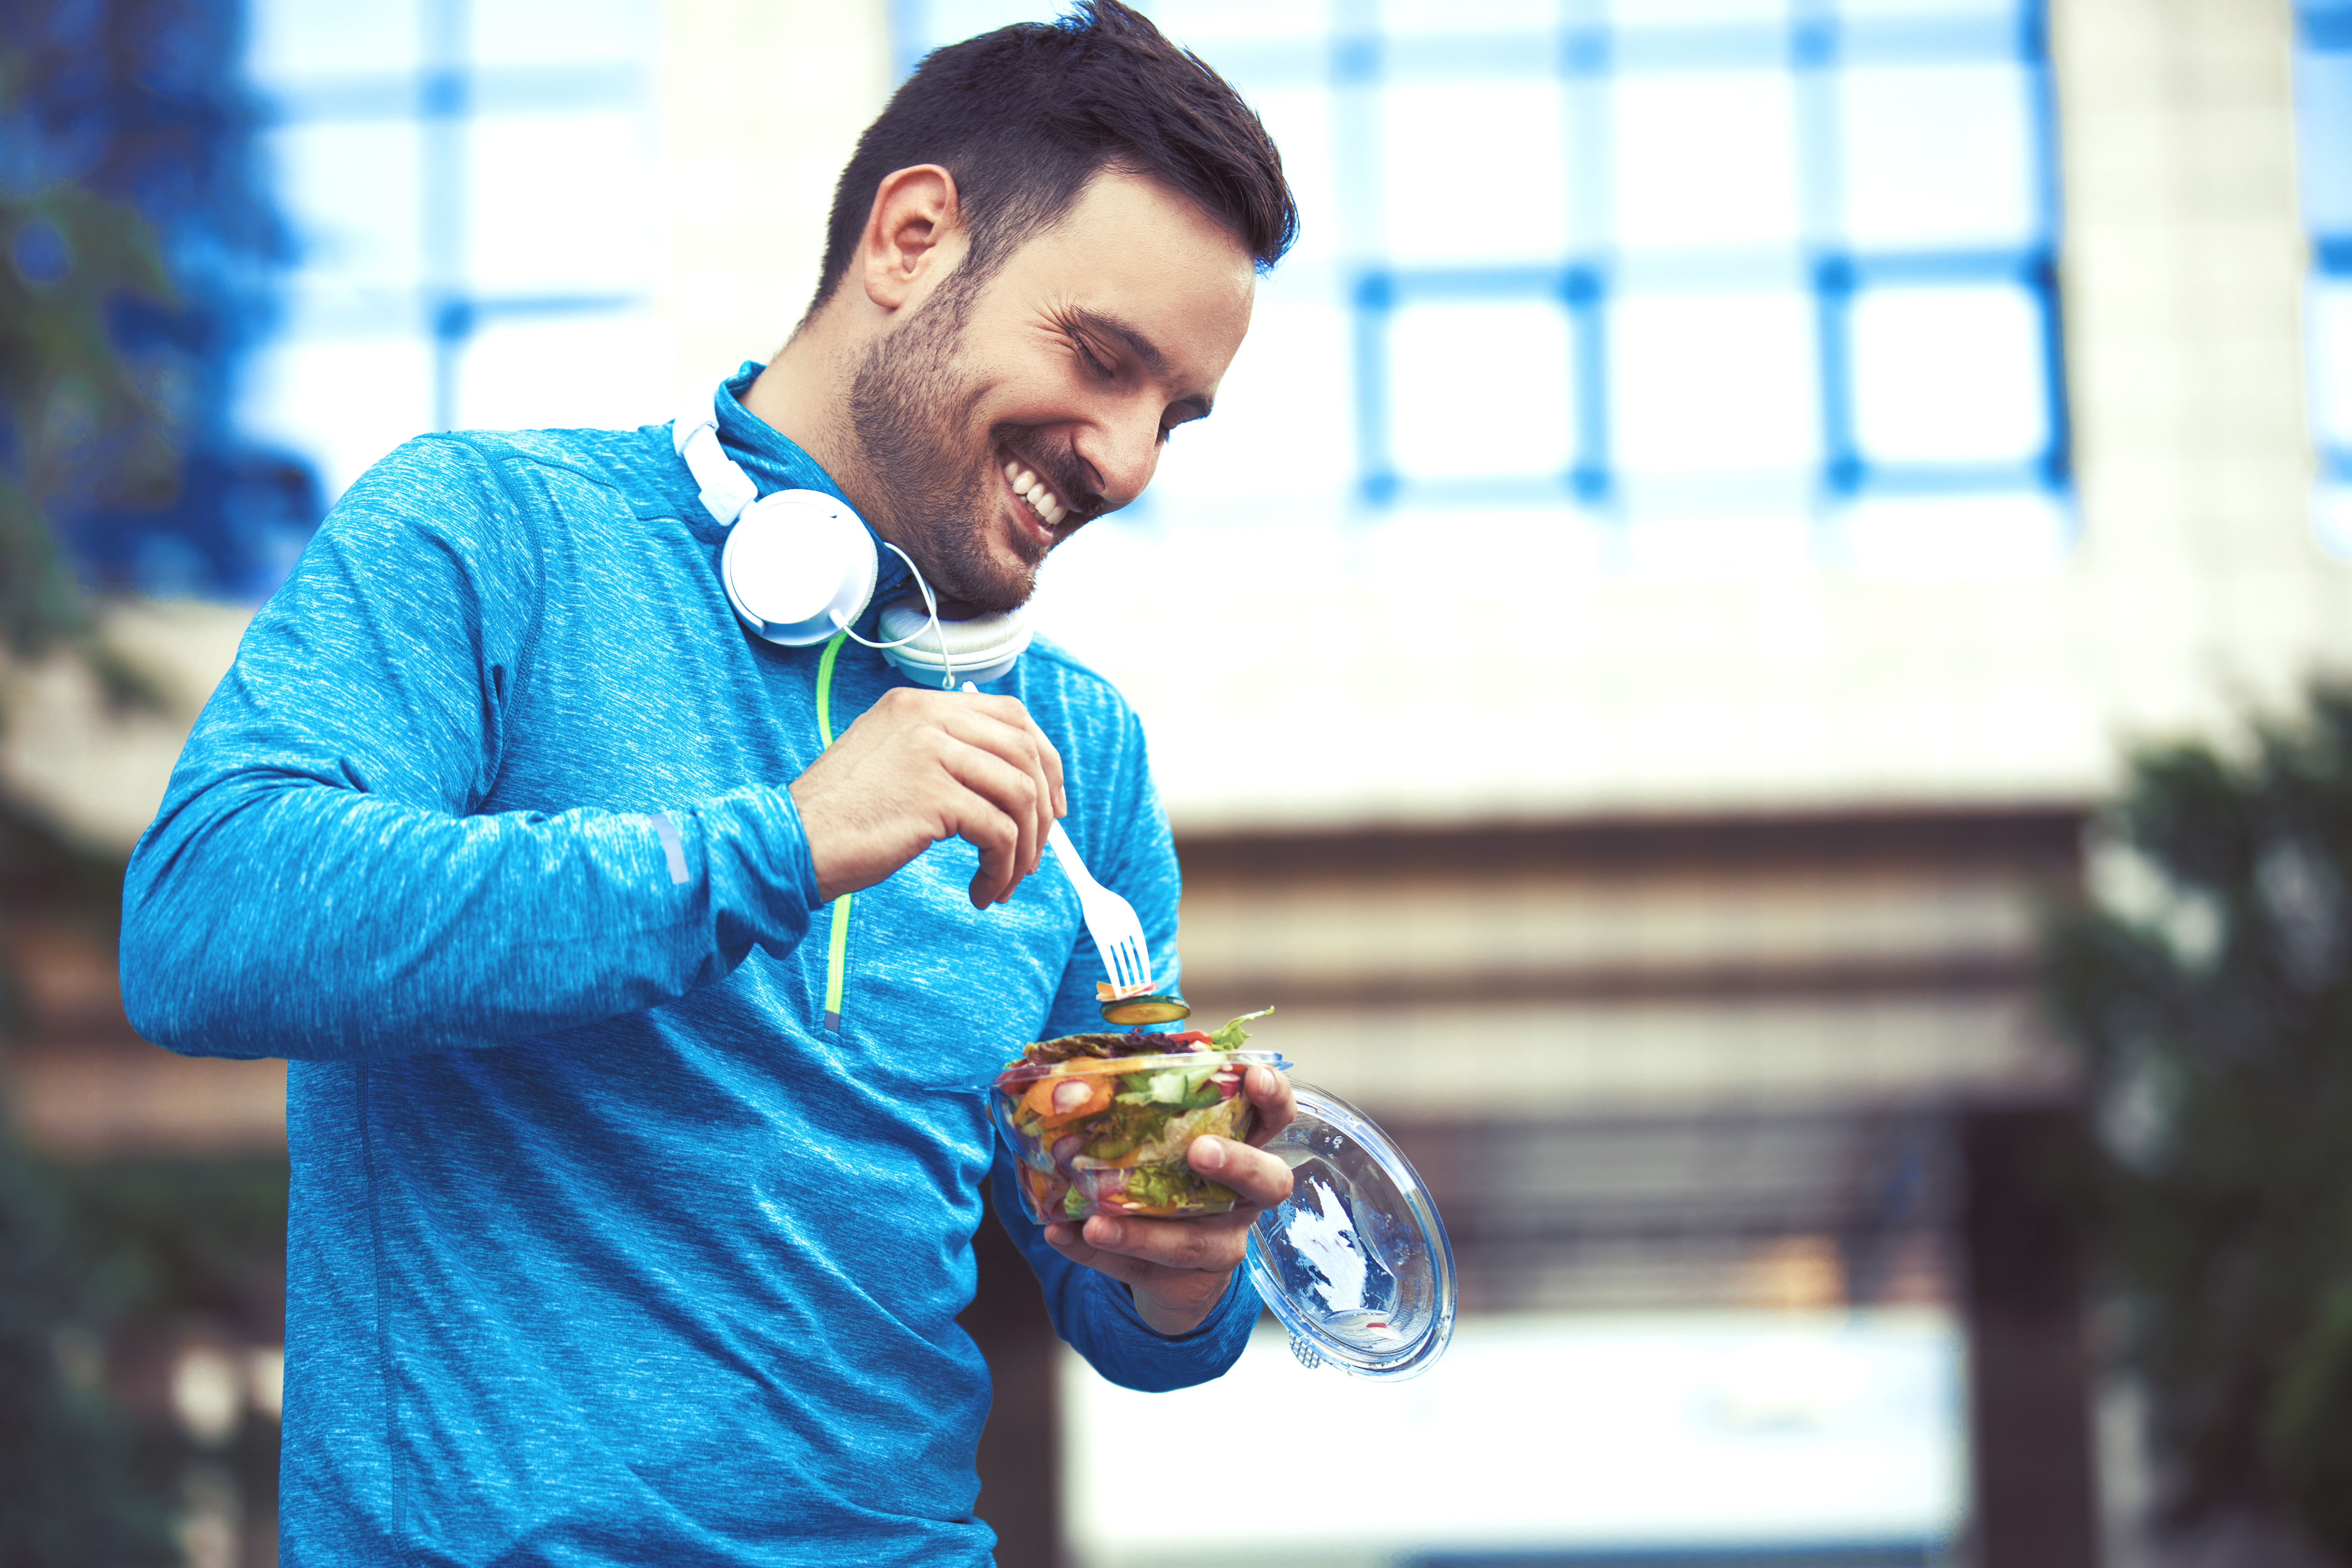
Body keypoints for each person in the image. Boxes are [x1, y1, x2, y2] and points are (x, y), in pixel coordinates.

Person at [117, 5, 1300, 1562]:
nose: (1131, 462)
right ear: (914, 236)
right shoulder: (493, 536)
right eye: (1101, 359)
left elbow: (1106, 1290)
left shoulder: (1085, 753)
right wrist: (778, 846)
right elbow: (205, 920)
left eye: (1177, 414)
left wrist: (1180, 1271)